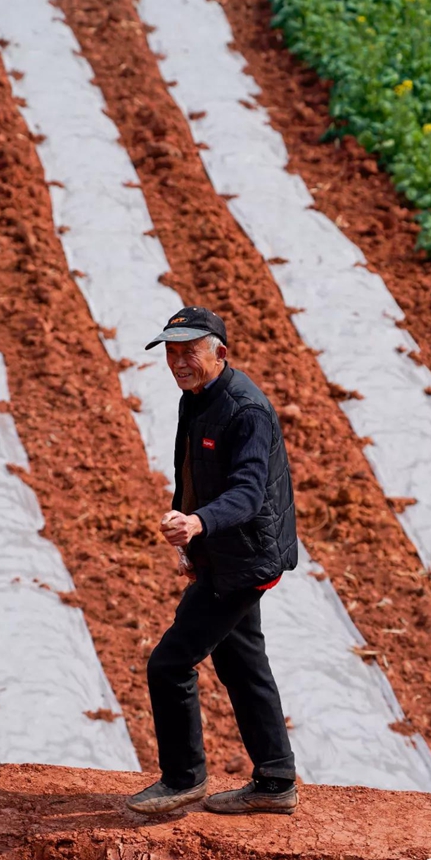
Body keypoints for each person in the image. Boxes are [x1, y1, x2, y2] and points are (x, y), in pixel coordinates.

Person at [127, 306, 298, 816]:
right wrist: (191, 543)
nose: (178, 363)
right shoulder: (196, 398)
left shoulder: (246, 410)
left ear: (220, 352)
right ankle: (275, 780)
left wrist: (199, 524)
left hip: (245, 561)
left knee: (170, 663)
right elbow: (191, 475)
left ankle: (183, 779)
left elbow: (247, 492)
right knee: (241, 662)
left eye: (189, 352)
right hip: (223, 554)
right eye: (171, 354)